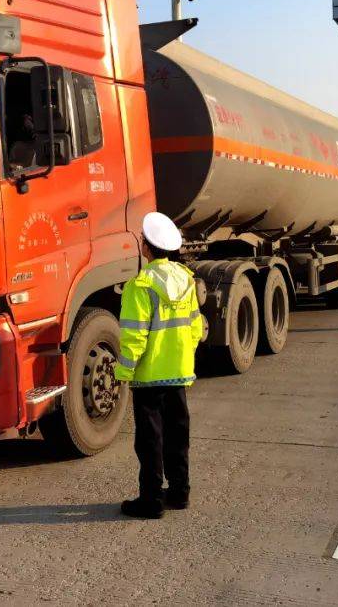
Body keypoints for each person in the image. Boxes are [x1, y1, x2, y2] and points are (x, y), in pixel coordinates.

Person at [115, 212, 206, 519]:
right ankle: (180, 493)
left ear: (147, 247)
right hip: (178, 372)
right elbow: (195, 327)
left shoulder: (139, 286)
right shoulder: (186, 280)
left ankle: (151, 500)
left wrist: (123, 372)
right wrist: (183, 356)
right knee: (178, 434)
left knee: (150, 440)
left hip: (149, 377)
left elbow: (134, 336)